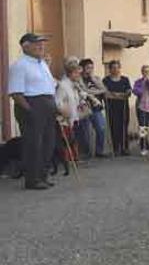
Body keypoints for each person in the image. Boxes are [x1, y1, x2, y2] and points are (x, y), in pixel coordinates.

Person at [9, 33, 58, 189]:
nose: (41, 46)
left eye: (42, 43)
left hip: (47, 105)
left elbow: (49, 86)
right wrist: (30, 111)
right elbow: (15, 93)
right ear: (25, 46)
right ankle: (32, 179)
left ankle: (43, 175)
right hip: (31, 105)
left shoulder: (42, 64)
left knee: (48, 143)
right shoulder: (20, 65)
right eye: (37, 43)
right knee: (33, 144)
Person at [56, 57, 90, 163]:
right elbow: (58, 101)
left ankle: (74, 158)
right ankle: (67, 159)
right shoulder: (63, 85)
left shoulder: (74, 85)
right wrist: (63, 110)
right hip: (65, 117)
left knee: (73, 138)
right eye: (76, 73)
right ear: (70, 73)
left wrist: (82, 103)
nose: (78, 76)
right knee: (67, 139)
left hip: (74, 116)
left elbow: (76, 99)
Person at [78, 58, 108, 158]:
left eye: (92, 67)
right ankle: (86, 152)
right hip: (84, 107)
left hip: (96, 108)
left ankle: (99, 151)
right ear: (82, 68)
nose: (90, 70)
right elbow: (83, 90)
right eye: (88, 68)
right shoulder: (79, 79)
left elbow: (104, 89)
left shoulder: (96, 78)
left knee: (101, 128)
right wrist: (96, 91)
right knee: (85, 131)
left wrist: (93, 80)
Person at [103, 60, 132, 156]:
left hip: (123, 107)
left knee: (123, 126)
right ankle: (115, 148)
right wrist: (119, 95)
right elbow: (106, 94)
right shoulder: (106, 80)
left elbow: (128, 93)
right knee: (113, 127)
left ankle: (124, 147)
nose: (115, 70)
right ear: (109, 69)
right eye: (113, 68)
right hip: (111, 107)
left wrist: (116, 95)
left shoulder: (125, 79)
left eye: (117, 67)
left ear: (120, 68)